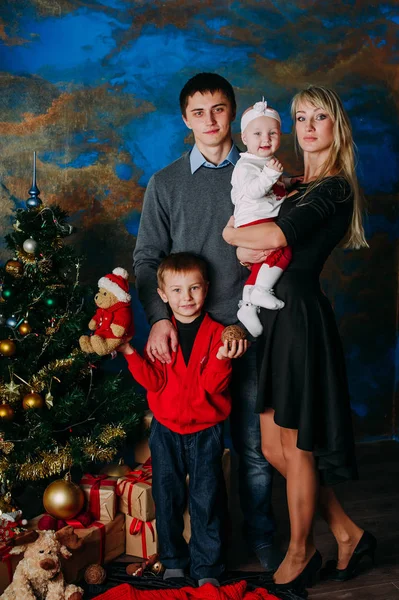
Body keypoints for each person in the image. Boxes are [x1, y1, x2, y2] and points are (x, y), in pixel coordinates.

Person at [222, 85, 375, 594]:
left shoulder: (333, 188)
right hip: (275, 319)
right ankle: (348, 532)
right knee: (273, 446)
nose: (308, 127)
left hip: (301, 318)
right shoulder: (293, 186)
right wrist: (245, 238)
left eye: (320, 118)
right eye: (301, 117)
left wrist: (232, 237)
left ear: (336, 128)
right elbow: (250, 227)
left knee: (298, 446)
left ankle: (300, 550)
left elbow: (269, 238)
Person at [133, 73, 280, 571]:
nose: (210, 120)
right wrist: (157, 319)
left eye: (219, 110)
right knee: (188, 455)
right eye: (199, 112)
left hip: (248, 329)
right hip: (188, 338)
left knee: (255, 448)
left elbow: (280, 247)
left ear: (233, 114)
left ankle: (260, 538)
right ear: (185, 119)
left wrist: (247, 318)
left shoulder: (259, 176)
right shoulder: (166, 183)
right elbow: (147, 258)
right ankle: (189, 553)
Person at [118, 252, 247, 586]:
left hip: (206, 431)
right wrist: (130, 352)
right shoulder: (161, 334)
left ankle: (208, 568)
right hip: (166, 430)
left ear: (206, 289)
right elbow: (154, 381)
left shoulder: (219, 333)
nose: (186, 298)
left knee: (207, 500)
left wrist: (221, 357)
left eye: (194, 288)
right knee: (167, 495)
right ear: (163, 294)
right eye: (176, 290)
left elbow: (212, 386)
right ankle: (173, 559)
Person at [231, 98, 297, 338]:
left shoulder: (263, 163)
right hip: (254, 220)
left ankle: (247, 305)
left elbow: (274, 186)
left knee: (260, 263)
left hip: (259, 219)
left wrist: (288, 181)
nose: (265, 139)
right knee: (282, 250)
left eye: (272, 133)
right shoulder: (246, 166)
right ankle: (262, 289)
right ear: (244, 138)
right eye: (257, 133)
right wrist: (271, 174)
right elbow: (254, 190)